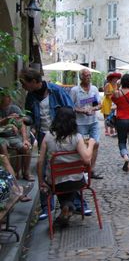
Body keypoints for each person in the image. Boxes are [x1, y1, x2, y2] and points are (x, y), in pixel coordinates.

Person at [20, 68, 79, 220]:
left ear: (33, 81)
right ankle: (47, 206)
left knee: (67, 167)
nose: (22, 86)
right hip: (43, 135)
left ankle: (76, 203)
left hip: (60, 134)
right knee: (47, 168)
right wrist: (23, 119)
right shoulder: (31, 96)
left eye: (24, 82)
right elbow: (30, 117)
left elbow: (69, 110)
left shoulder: (56, 91)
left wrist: (65, 129)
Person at [37, 107, 95, 227]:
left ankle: (66, 206)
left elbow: (40, 161)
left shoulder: (48, 137)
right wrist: (91, 144)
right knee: (72, 180)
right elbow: (87, 159)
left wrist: (41, 182)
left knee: (60, 181)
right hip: (77, 181)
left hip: (55, 182)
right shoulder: (77, 137)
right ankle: (68, 205)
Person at [69, 69, 103, 179]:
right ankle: (82, 170)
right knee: (82, 146)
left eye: (90, 75)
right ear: (81, 77)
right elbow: (70, 107)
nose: (89, 77)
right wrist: (82, 111)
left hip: (93, 121)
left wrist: (93, 109)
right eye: (86, 76)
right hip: (80, 123)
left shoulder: (94, 89)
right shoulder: (75, 90)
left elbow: (98, 104)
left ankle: (91, 170)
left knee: (96, 144)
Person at [0, 90, 32, 181]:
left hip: (14, 137)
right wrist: (7, 119)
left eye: (5, 98)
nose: (3, 101)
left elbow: (22, 124)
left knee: (27, 148)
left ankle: (26, 173)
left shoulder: (14, 108)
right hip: (2, 137)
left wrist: (25, 139)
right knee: (2, 147)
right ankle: (10, 175)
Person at [101, 72, 121, 137]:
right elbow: (105, 94)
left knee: (113, 116)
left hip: (113, 102)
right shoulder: (107, 84)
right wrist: (112, 92)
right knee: (106, 117)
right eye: (115, 78)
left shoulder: (117, 85)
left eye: (116, 78)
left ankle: (112, 129)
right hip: (107, 102)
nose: (116, 79)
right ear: (111, 79)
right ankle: (106, 130)